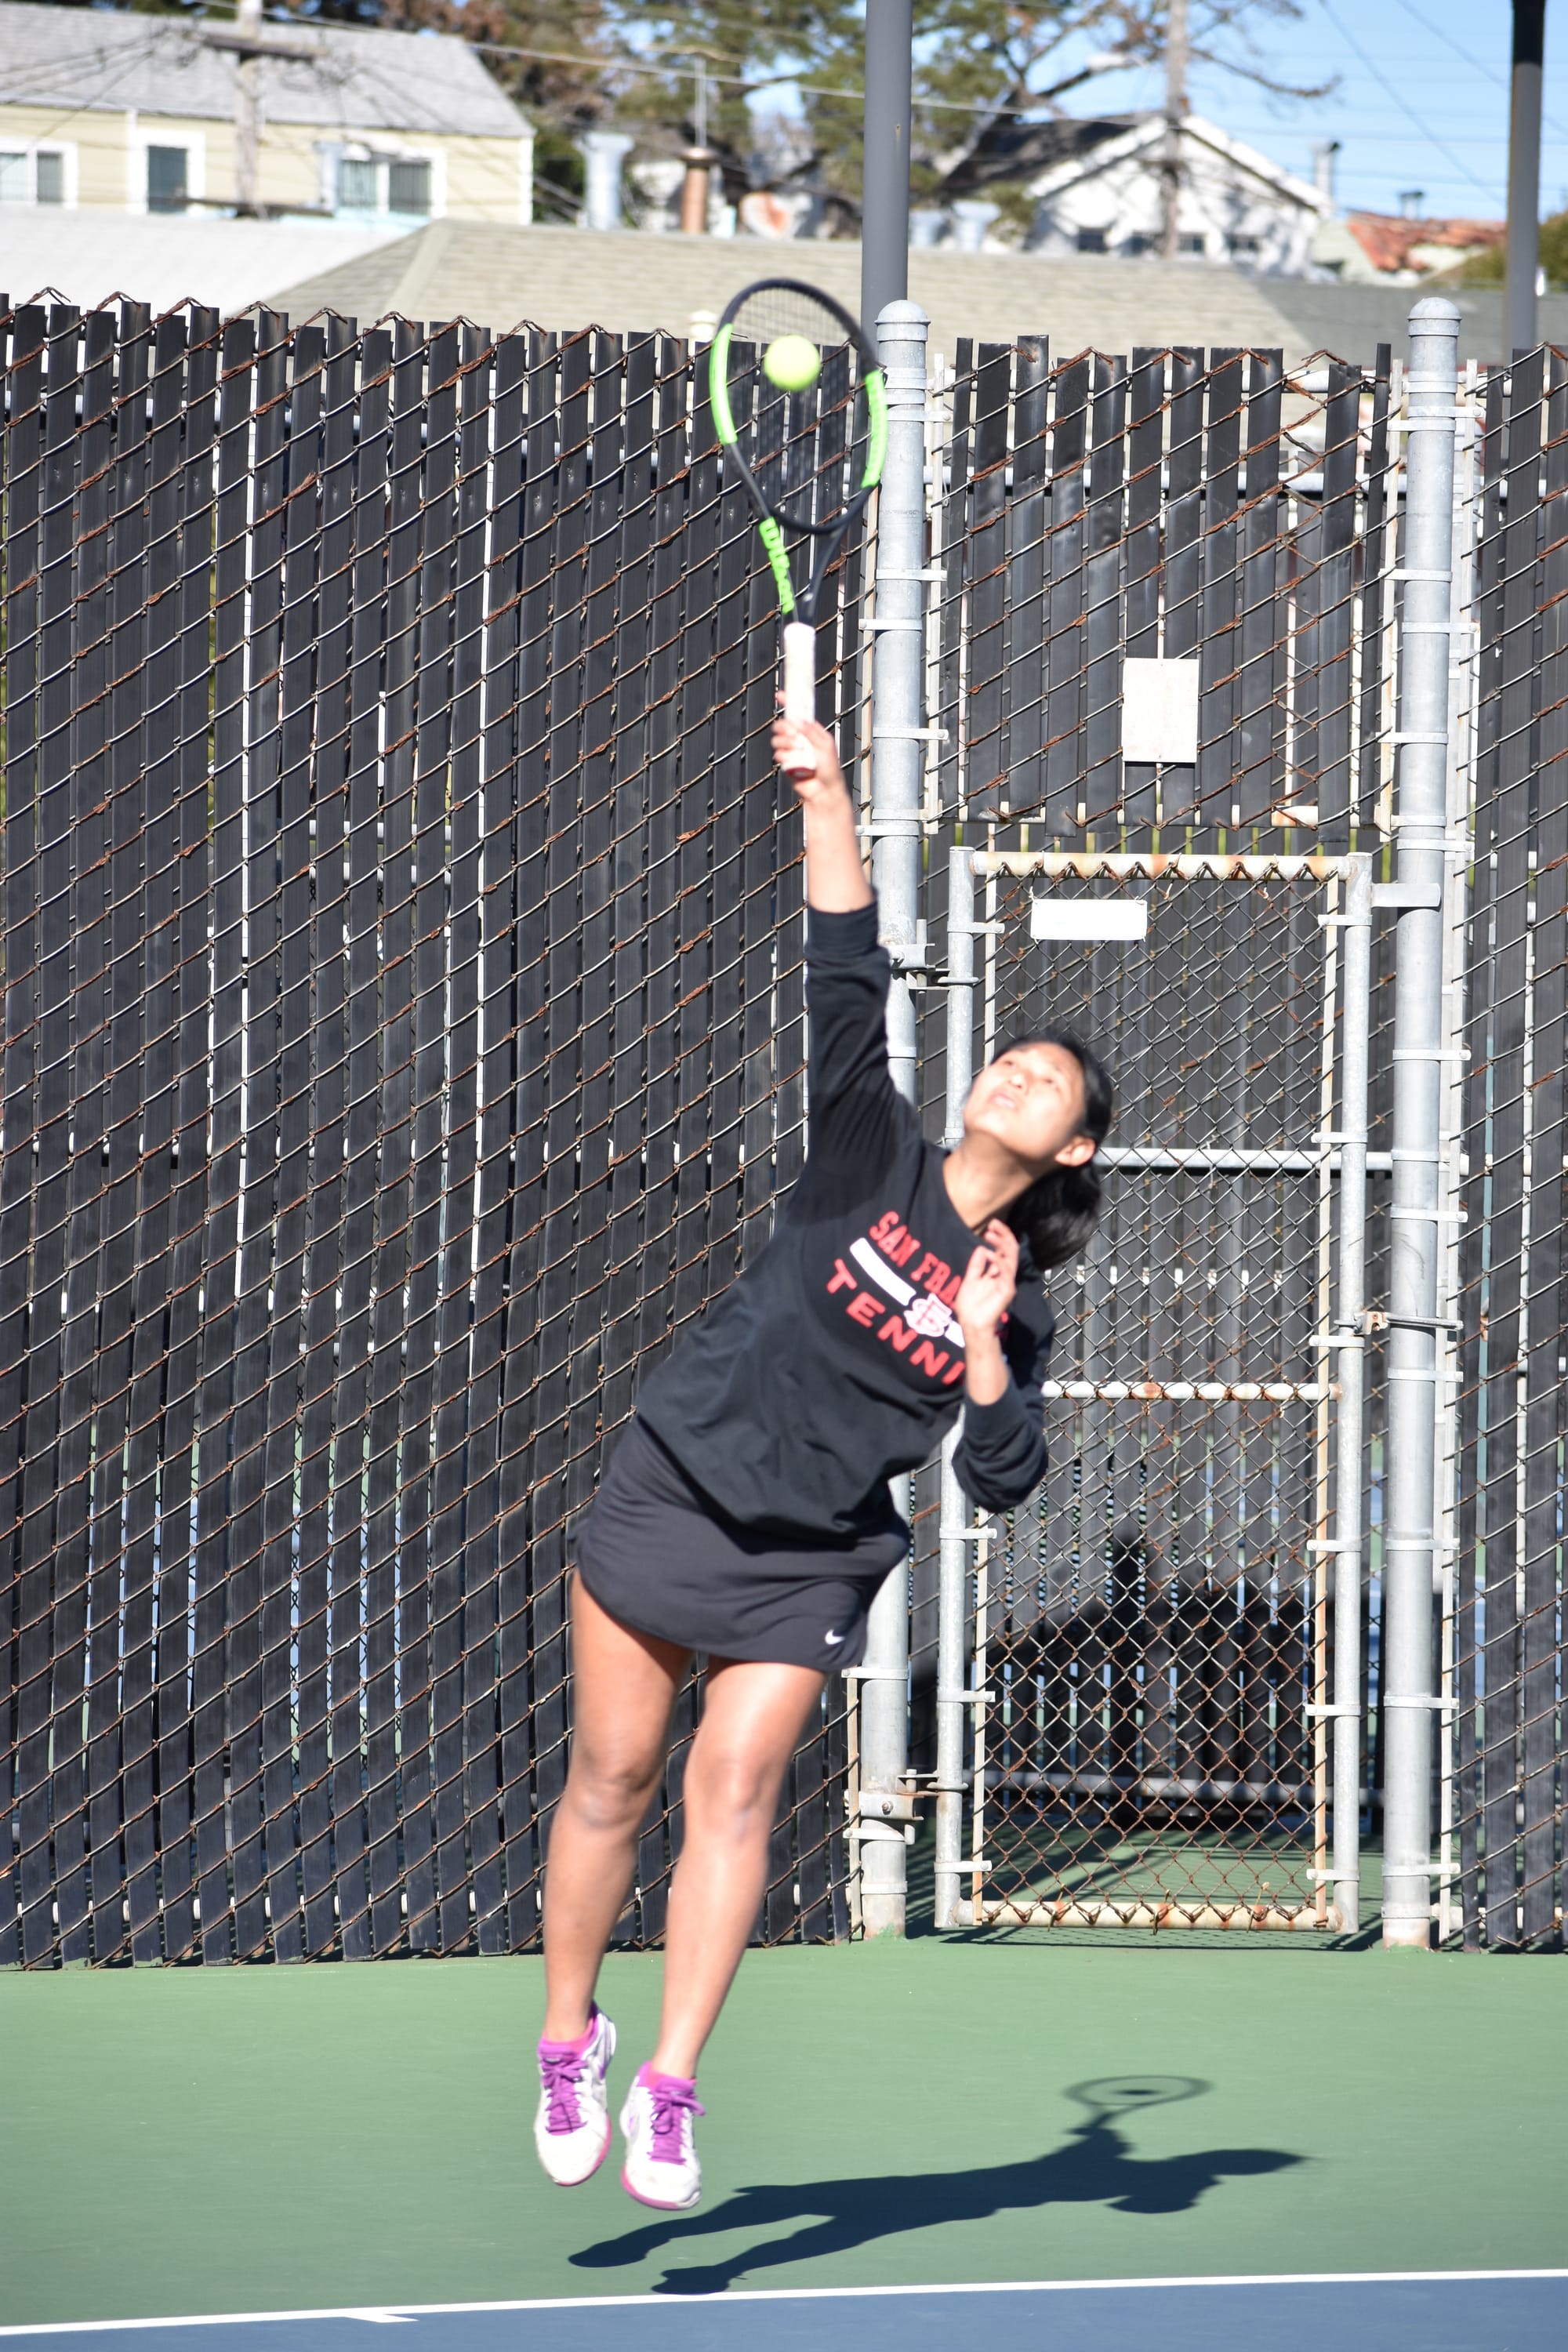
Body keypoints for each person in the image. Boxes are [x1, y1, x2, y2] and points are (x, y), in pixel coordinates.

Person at [532, 711, 1112, 2212]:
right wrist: (830, 799)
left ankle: (671, 2087)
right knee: (613, 1774)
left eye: (1049, 1082)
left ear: (1074, 1151)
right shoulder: (870, 1148)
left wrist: (980, 1342)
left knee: (733, 1789)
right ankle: (569, 2039)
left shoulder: (1019, 1306)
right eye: (1012, 1059)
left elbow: (1002, 1478)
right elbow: (843, 965)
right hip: (678, 1482)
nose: (1018, 1076)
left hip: (812, 1555)